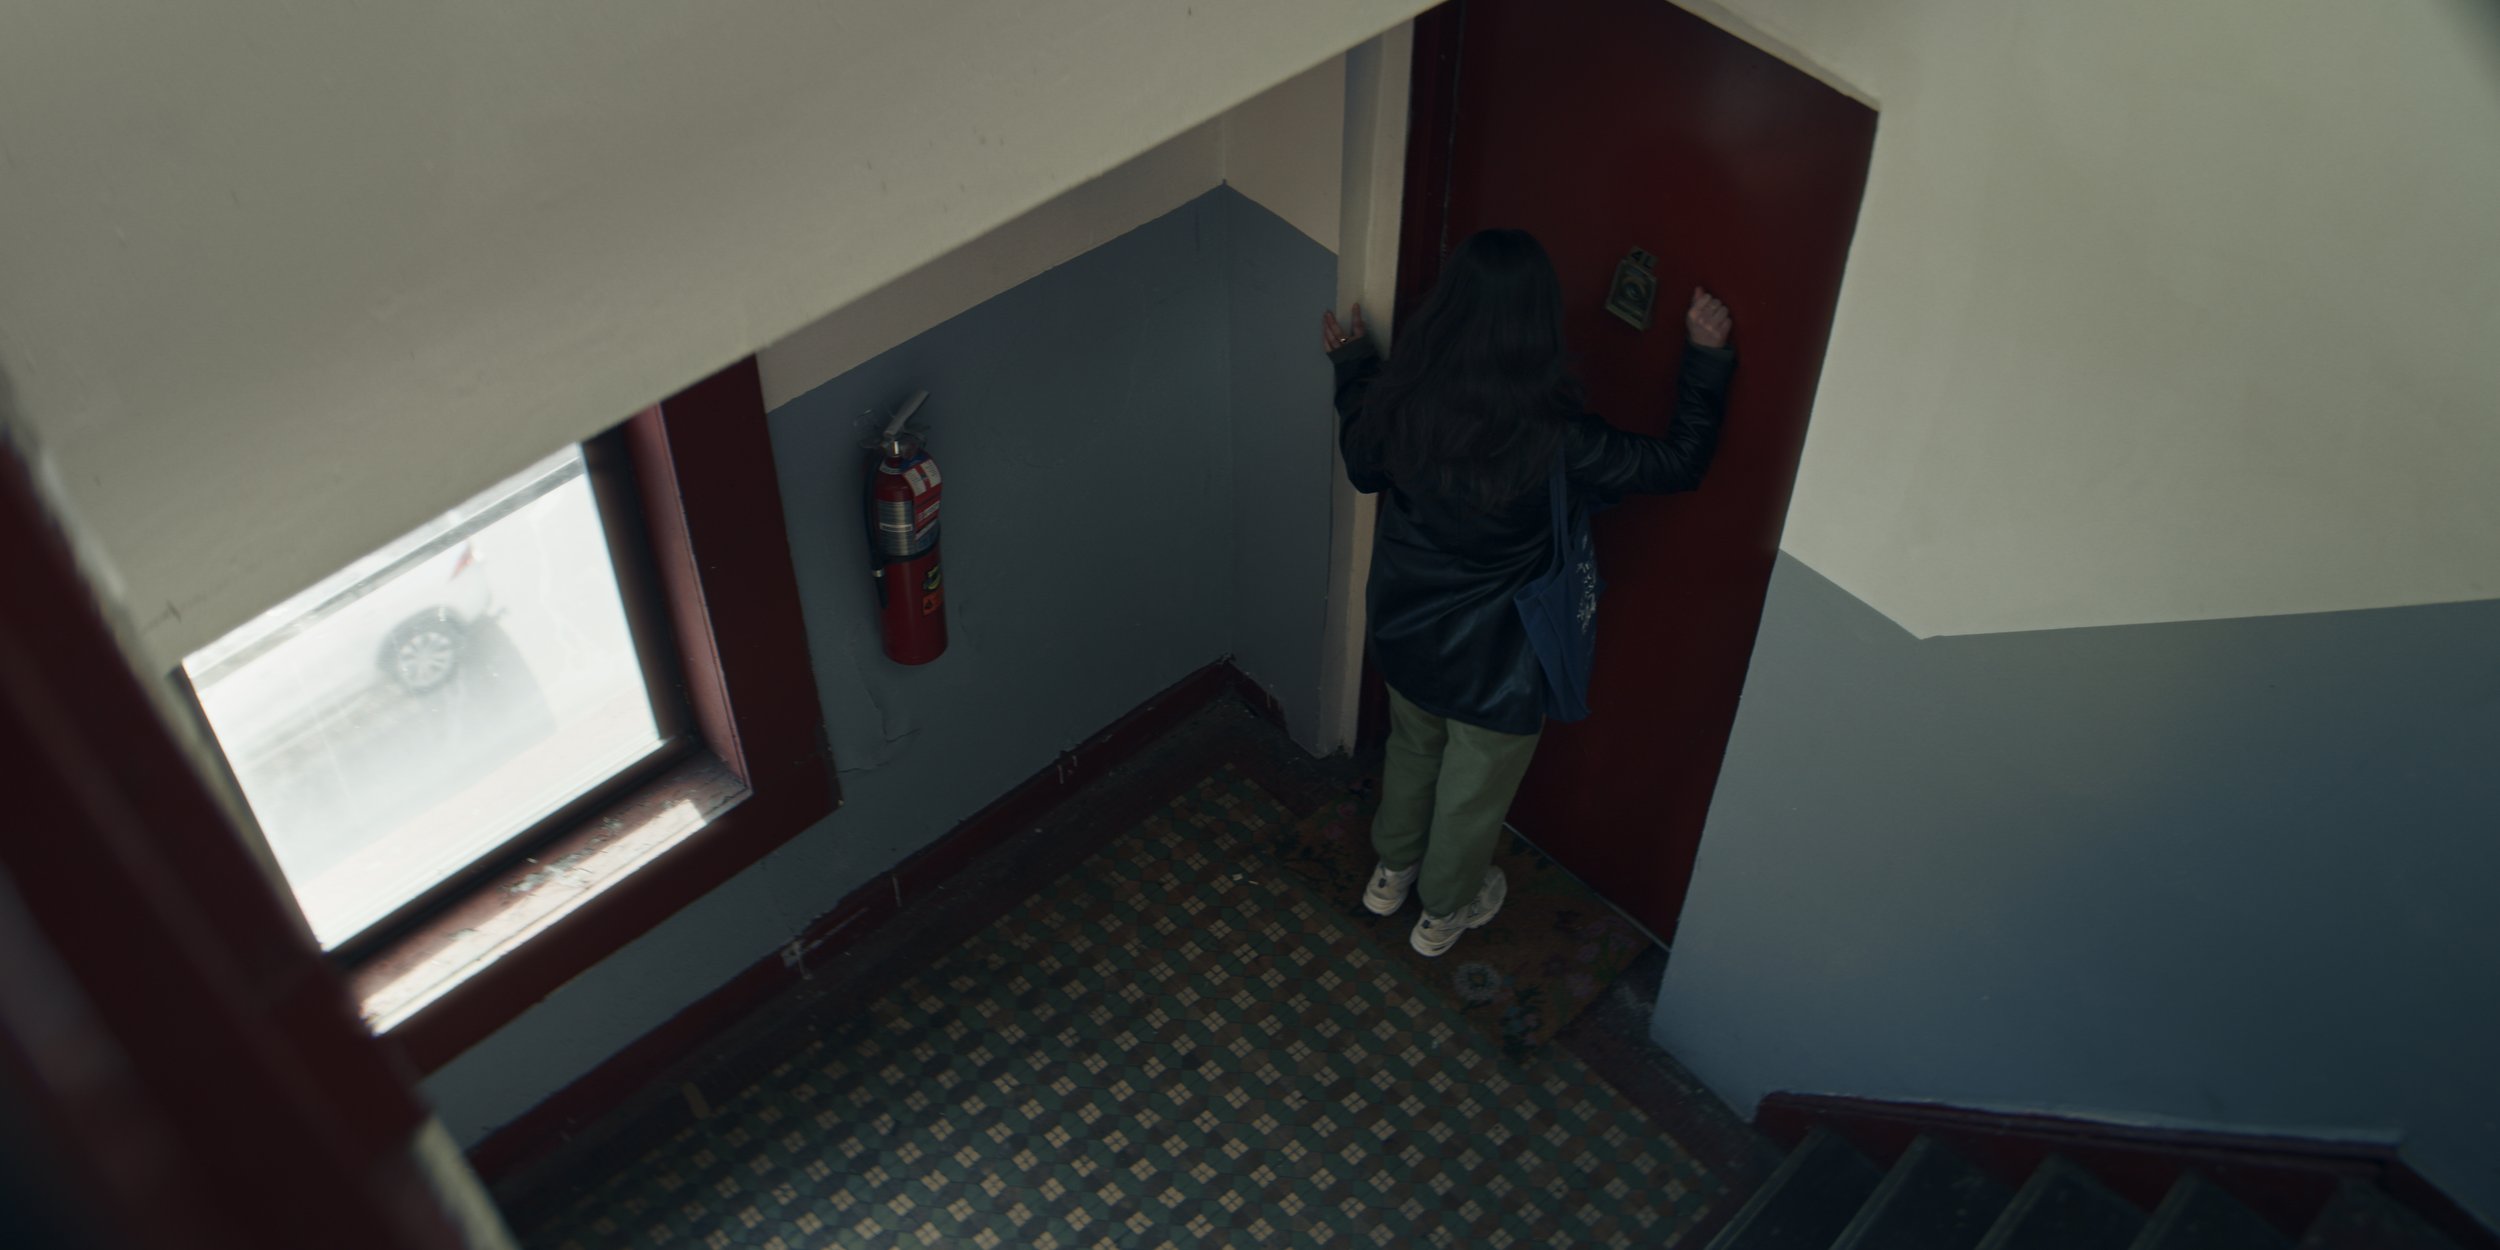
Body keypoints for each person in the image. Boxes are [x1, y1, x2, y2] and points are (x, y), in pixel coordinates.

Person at [1322, 228, 1735, 958]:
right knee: (1472, 792)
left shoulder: (1407, 399)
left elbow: (1362, 461)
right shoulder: (1556, 436)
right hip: (1500, 658)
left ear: (1447, 312)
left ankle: (1390, 873)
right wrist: (1705, 359)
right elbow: (1676, 465)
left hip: (1408, 629)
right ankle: (1444, 911)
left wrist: (1353, 364)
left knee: (1414, 749)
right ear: (1538, 326)